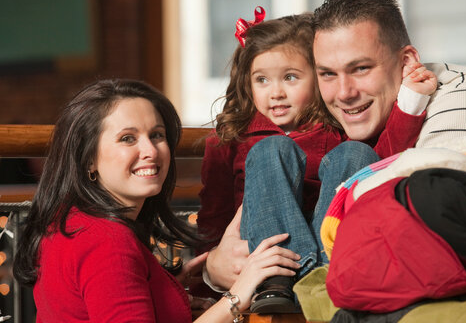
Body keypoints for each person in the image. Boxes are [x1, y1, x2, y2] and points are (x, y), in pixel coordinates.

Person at [199, 7, 437, 313]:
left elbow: (385, 162)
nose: (276, 93)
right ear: (247, 83)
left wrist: (411, 101)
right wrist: (209, 278)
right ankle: (278, 279)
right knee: (270, 150)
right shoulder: (231, 139)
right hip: (266, 260)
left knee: (356, 153)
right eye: (262, 80)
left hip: (331, 251)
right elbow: (212, 218)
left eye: (290, 77)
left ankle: (324, 274)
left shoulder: (338, 126)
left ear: (317, 77)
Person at [13, 79, 301, 323]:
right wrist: (237, 296)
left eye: (157, 135)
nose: (150, 150)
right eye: (128, 138)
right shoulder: (106, 241)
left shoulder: (72, 219)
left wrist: (167, 288)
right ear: (89, 159)